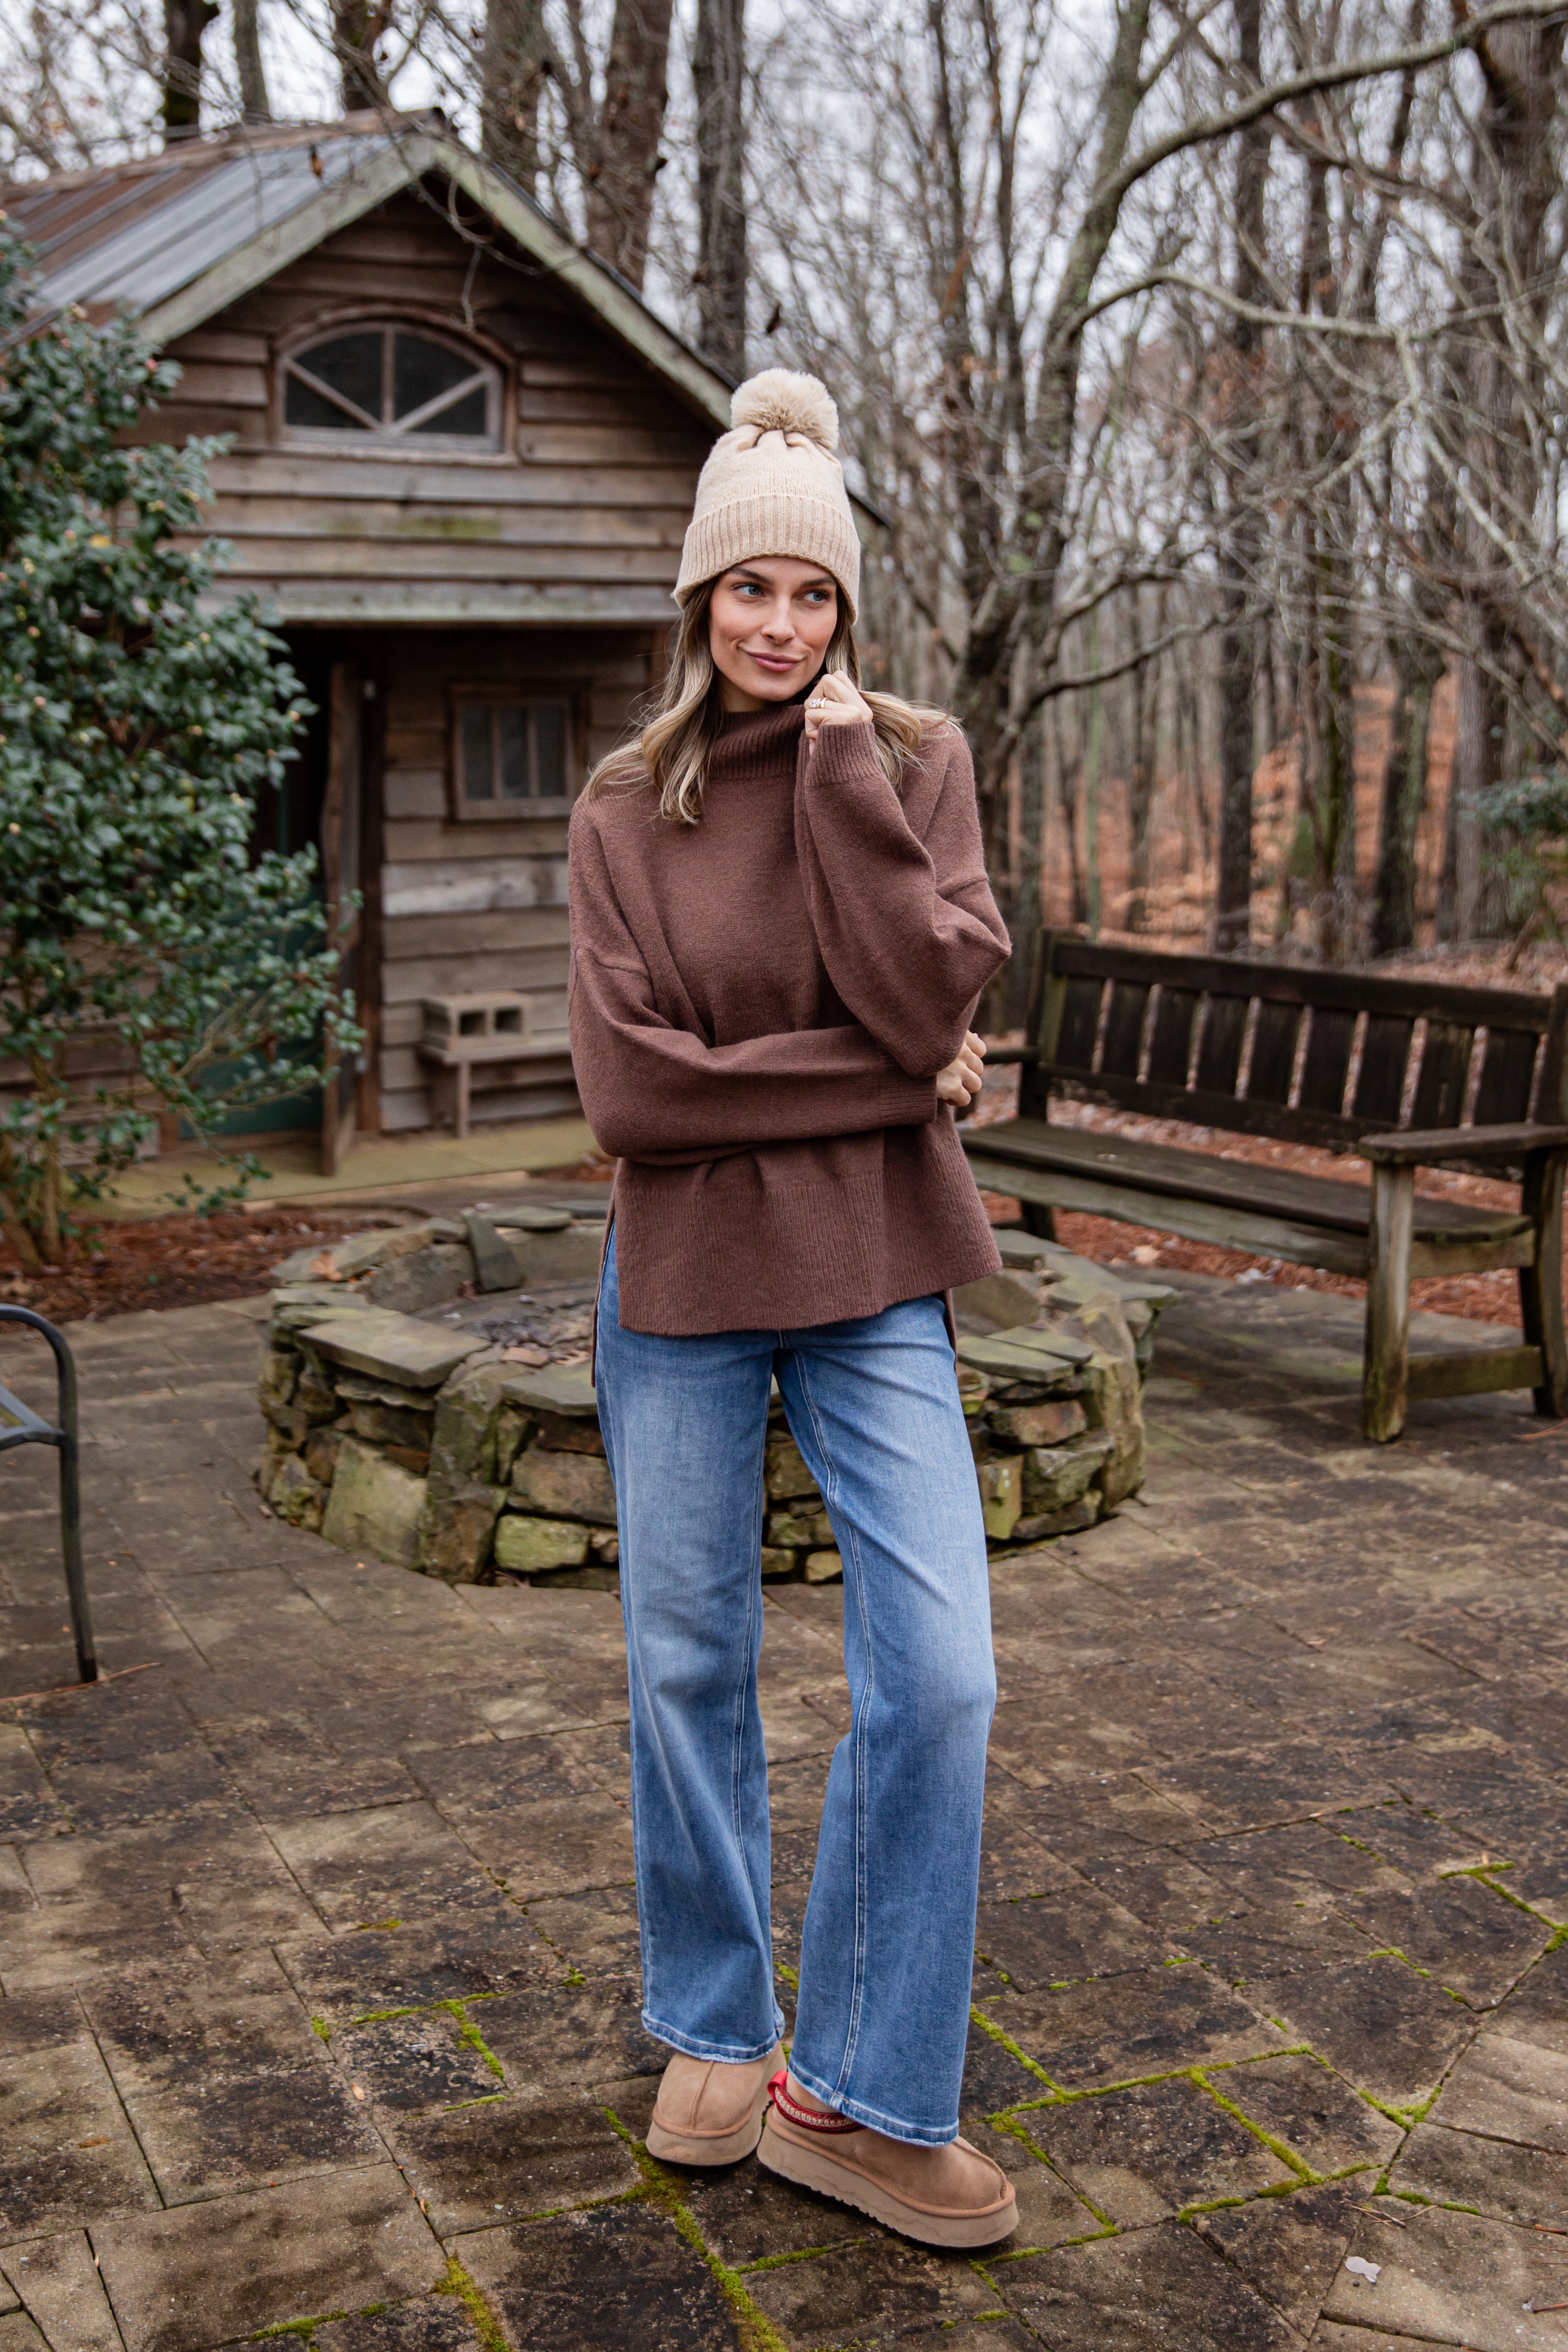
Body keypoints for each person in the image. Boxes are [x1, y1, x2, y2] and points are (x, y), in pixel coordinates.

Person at [567, 369, 1017, 2249]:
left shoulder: (908, 763)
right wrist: (897, 1078)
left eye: (810, 593)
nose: (776, 622)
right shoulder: (620, 804)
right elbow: (637, 1100)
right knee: (688, 1663)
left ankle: (853, 2091)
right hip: (674, 1274)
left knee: (943, 1677)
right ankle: (716, 2018)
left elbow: (926, 991)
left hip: (873, 1274)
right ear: (697, 602)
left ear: (846, 611)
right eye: (746, 590)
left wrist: (841, 781)